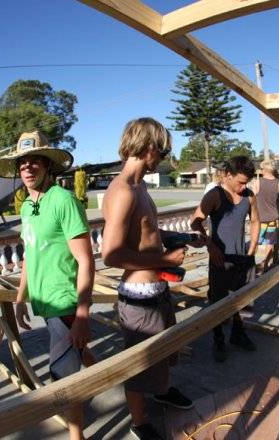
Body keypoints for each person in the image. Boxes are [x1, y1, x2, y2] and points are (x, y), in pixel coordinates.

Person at [0, 131, 95, 440]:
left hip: (64, 301)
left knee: (63, 382)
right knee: (77, 353)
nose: (27, 167)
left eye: (34, 161)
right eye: (22, 163)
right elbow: (30, 252)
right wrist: (21, 296)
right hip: (45, 302)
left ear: (47, 165)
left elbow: (86, 261)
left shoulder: (63, 201)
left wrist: (82, 315)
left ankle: (77, 436)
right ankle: (106, 376)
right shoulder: (27, 206)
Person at [101, 117, 195, 440]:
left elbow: (147, 230)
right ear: (150, 147)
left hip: (157, 287)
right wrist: (164, 260)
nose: (164, 158)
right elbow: (111, 255)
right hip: (139, 295)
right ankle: (139, 422)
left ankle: (162, 391)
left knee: (165, 350)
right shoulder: (123, 191)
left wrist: (182, 238)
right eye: (163, 152)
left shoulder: (140, 186)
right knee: (139, 365)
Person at [190, 155, 260, 362]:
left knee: (244, 298)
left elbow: (255, 221)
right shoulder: (215, 195)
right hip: (220, 259)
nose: (243, 187)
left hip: (243, 257)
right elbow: (195, 221)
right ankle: (218, 339)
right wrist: (210, 245)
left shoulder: (249, 196)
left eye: (246, 182)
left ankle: (238, 334)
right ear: (228, 175)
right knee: (218, 301)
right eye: (240, 182)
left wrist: (253, 247)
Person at [253, 160, 279, 273]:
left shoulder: (258, 182)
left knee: (255, 242)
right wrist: (277, 201)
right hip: (273, 218)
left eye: (261, 169)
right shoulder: (278, 183)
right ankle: (265, 266)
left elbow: (253, 198)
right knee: (269, 243)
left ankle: (251, 267)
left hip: (259, 219)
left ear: (264, 170)